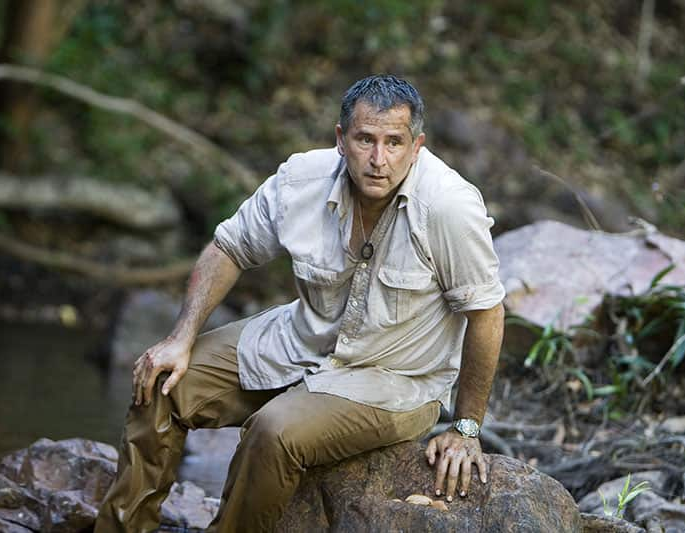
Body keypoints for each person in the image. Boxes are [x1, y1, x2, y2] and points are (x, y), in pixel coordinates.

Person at [96, 74, 505, 532]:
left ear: (417, 146)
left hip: (395, 380)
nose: (378, 159)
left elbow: (486, 312)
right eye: (364, 139)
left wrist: (466, 429)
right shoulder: (300, 179)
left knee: (274, 433)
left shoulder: (448, 206)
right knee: (161, 384)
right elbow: (228, 248)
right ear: (340, 139)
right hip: (300, 341)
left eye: (394, 143)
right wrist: (180, 338)